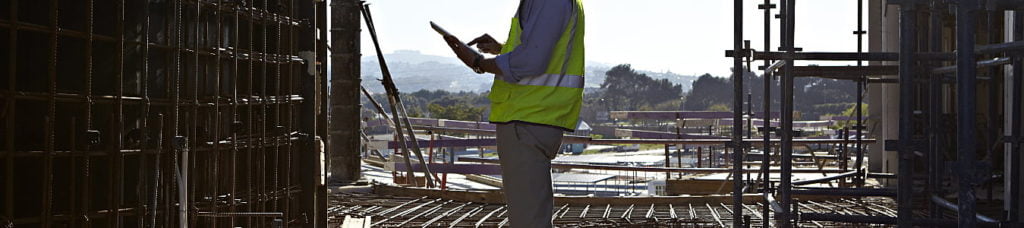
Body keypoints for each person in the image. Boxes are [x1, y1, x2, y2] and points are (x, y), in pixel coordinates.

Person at [441, 0, 584, 227]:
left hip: (528, 118)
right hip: (534, 118)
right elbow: (540, 48)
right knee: (530, 214)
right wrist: (502, 48)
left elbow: (531, 62)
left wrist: (478, 62)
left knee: (528, 221)